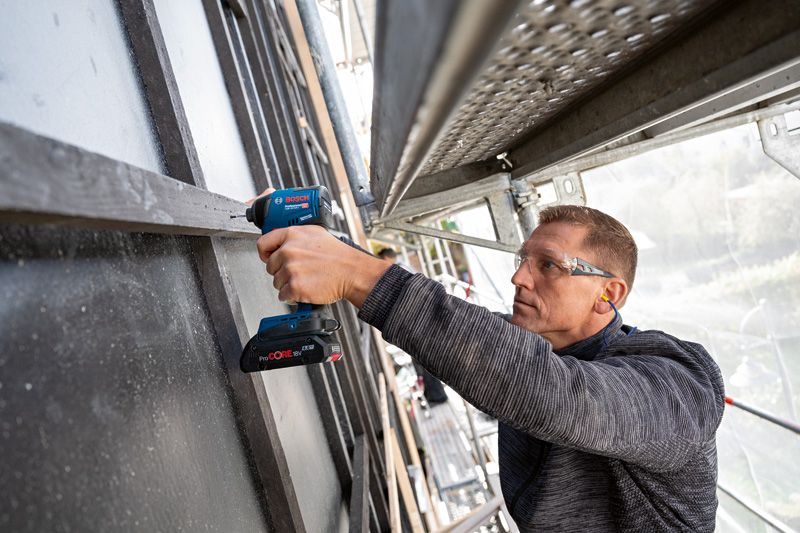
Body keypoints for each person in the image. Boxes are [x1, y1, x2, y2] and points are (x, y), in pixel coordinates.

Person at [256, 204, 724, 532]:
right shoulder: (537, 344)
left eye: (549, 265)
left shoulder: (682, 380)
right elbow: (465, 333)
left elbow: (561, 396)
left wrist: (359, 276)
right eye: (523, 260)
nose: (519, 277)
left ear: (609, 293)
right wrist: (325, 248)